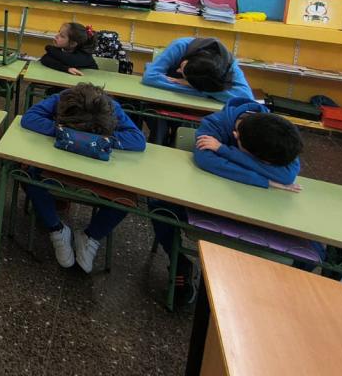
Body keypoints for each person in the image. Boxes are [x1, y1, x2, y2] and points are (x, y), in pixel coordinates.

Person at [148, 98, 304, 305]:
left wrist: (223, 150)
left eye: (264, 164)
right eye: (259, 160)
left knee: (311, 248)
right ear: (236, 137)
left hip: (254, 207)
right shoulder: (216, 123)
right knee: (159, 206)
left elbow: (287, 175)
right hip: (205, 197)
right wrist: (265, 180)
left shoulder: (275, 132)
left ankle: (278, 289)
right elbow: (205, 159)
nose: (263, 164)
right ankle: (180, 264)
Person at [21, 83, 146, 272]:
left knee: (128, 197)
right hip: (59, 166)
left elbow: (138, 140)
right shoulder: (61, 99)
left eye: (92, 131)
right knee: (25, 172)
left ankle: (91, 236)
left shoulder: (111, 108)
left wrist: (99, 140)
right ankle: (56, 229)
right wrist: (65, 133)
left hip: (97, 173)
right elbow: (29, 118)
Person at [141, 36, 254, 144]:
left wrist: (197, 88)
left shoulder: (229, 64)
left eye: (182, 73)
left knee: (192, 126)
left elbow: (247, 98)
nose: (178, 70)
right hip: (163, 102)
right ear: (192, 57)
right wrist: (204, 92)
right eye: (183, 66)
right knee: (157, 120)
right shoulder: (180, 46)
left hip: (194, 112)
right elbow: (150, 77)